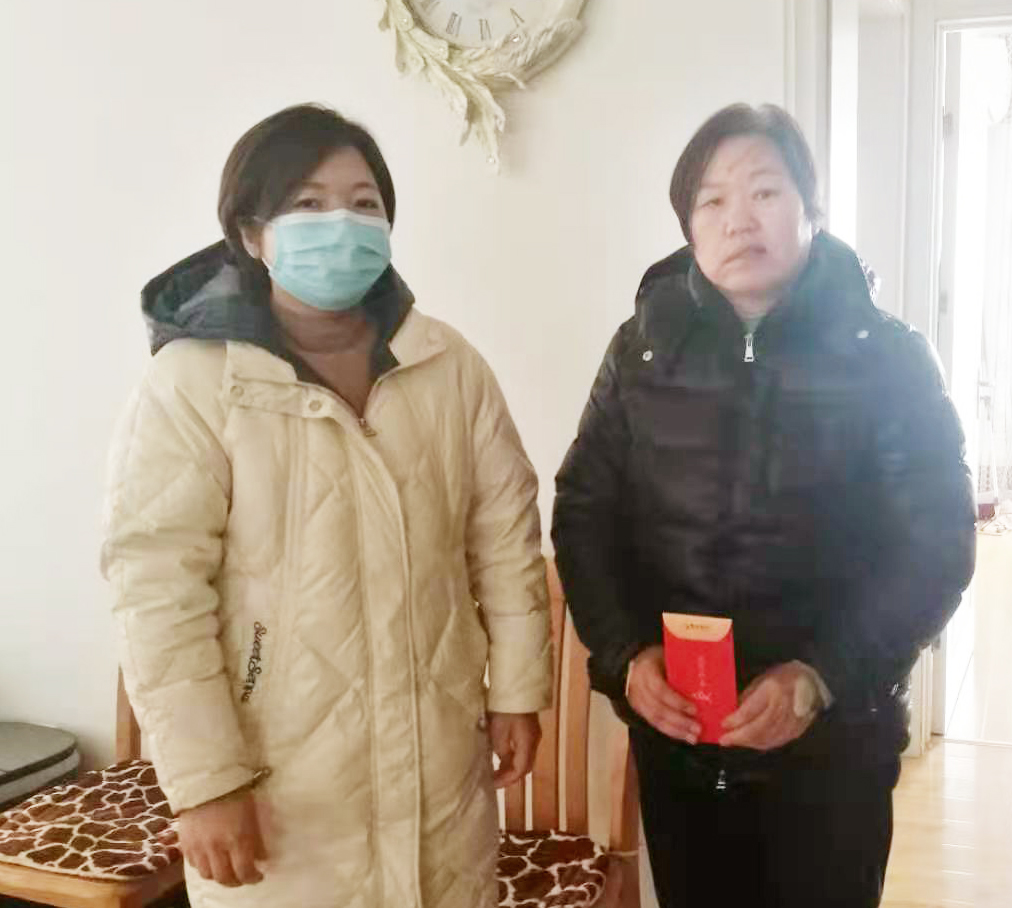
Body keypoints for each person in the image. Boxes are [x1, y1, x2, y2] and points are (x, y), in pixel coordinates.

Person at [101, 104, 552, 908]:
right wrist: (205, 781)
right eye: (308, 204)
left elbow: (505, 538)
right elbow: (156, 591)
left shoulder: (447, 365)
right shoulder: (195, 382)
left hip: (439, 776)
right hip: (280, 790)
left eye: (363, 203)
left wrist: (516, 689)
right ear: (251, 233)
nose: (340, 224)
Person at [552, 103, 976, 908]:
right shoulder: (640, 350)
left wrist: (822, 676)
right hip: (681, 742)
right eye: (711, 200)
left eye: (764, 193)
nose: (738, 219)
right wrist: (626, 658)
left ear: (810, 207)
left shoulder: (887, 359)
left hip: (834, 746)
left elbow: (937, 546)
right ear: (687, 225)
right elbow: (583, 514)